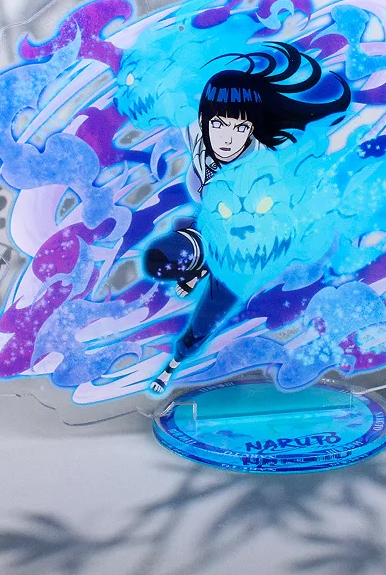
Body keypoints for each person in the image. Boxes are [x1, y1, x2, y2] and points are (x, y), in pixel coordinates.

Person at [144, 42, 350, 392]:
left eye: (240, 128)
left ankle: (174, 363)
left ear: (252, 127)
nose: (227, 138)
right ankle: (197, 268)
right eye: (219, 124)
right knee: (167, 252)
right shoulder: (197, 134)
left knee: (207, 315)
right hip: (209, 224)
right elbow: (174, 102)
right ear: (205, 120)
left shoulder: (259, 169)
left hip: (242, 251)